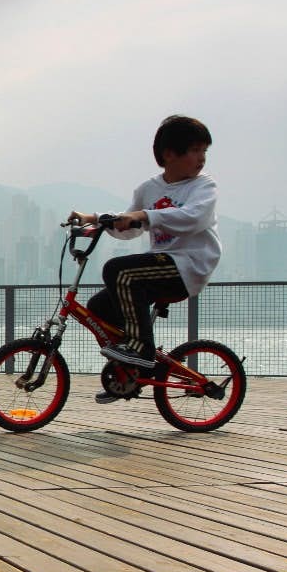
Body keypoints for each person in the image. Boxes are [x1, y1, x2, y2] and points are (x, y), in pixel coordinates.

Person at [68, 115, 220, 393]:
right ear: (169, 154)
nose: (202, 159)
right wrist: (94, 218)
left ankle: (142, 351)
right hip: (159, 265)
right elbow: (128, 225)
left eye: (204, 151)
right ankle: (130, 372)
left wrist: (144, 215)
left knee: (117, 270)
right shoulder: (148, 189)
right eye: (195, 151)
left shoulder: (203, 186)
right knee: (100, 307)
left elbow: (194, 217)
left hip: (188, 265)